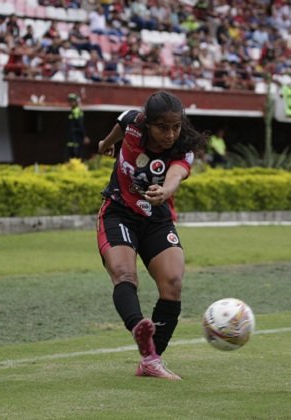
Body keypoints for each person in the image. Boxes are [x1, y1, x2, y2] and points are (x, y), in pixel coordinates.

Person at [96, 91, 206, 380]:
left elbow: (176, 175)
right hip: (119, 212)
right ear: (147, 124)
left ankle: (151, 360)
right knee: (124, 274)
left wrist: (166, 191)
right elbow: (119, 124)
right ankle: (138, 326)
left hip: (157, 219)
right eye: (162, 127)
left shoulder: (182, 148)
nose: (170, 134)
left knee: (173, 282)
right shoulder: (133, 121)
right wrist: (107, 144)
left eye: (176, 127)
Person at [66, 93, 89, 159]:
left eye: (72, 101)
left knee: (76, 153)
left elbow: (81, 124)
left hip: (77, 136)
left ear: (76, 102)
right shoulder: (72, 110)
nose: (70, 103)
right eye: (69, 101)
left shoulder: (77, 111)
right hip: (71, 136)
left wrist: (84, 136)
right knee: (70, 153)